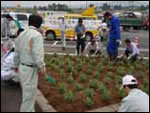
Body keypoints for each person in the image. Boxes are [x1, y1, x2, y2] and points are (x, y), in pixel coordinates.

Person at [13, 15, 46, 112]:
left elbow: (16, 52)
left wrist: (16, 65)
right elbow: (37, 54)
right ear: (39, 25)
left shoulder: (22, 34)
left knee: (28, 95)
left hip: (22, 68)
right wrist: (42, 67)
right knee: (28, 98)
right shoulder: (36, 35)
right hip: (30, 69)